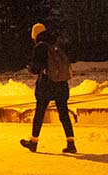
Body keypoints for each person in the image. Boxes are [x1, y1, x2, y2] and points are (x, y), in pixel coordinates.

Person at [20, 22, 77, 154]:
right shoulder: (55, 44)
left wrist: (30, 68)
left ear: (35, 35)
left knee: (39, 113)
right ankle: (71, 143)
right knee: (64, 113)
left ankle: (33, 142)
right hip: (61, 84)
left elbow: (36, 68)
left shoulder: (40, 47)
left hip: (47, 85)